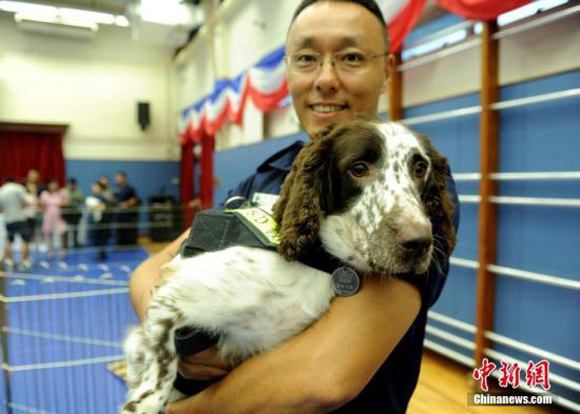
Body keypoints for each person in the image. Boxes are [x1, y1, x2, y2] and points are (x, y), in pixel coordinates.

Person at [131, 1, 460, 412]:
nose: (325, 78)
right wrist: (185, 341)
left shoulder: (418, 186)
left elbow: (322, 379)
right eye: (306, 58)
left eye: (351, 57)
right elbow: (150, 270)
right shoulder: (263, 179)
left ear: (386, 72)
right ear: (288, 70)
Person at [0, 178, 32, 271]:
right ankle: (24, 261)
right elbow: (26, 202)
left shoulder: (2, 190)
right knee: (25, 240)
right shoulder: (19, 188)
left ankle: (10, 262)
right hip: (20, 218)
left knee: (9, 241)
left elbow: (0, 208)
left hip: (8, 220)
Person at [39, 179, 68, 259]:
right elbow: (41, 205)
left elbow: (66, 203)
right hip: (48, 216)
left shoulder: (60, 193)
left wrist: (64, 202)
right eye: (51, 184)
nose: (53, 186)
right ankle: (51, 251)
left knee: (62, 232)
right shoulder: (44, 194)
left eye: (55, 184)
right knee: (49, 233)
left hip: (59, 215)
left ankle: (63, 250)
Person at [86, 181, 110, 261]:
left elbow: (103, 207)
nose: (93, 189)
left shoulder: (102, 197)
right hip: (95, 220)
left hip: (102, 221)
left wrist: (95, 206)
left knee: (102, 237)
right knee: (96, 237)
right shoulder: (93, 197)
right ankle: (99, 253)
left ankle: (102, 253)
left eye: (95, 187)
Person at [114, 171, 139, 246]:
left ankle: (130, 245)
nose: (117, 179)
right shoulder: (115, 188)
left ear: (124, 178)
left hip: (127, 213)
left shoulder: (130, 188)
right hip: (118, 213)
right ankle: (119, 244)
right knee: (118, 230)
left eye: (119, 178)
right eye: (116, 178)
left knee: (127, 230)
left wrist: (126, 204)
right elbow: (114, 199)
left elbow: (134, 199)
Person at [61, 178, 84, 248]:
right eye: (70, 185)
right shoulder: (64, 192)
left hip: (75, 213)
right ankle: (66, 244)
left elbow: (82, 200)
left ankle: (75, 243)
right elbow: (62, 201)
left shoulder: (78, 192)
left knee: (75, 229)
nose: (72, 186)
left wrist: (76, 200)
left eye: (73, 185)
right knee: (66, 229)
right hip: (67, 214)